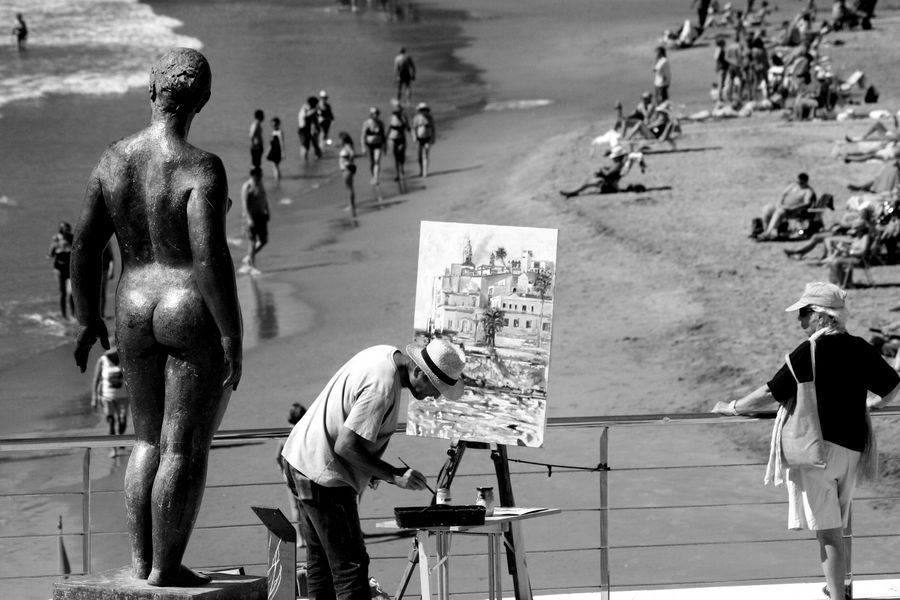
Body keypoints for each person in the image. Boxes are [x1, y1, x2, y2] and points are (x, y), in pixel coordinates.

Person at [70, 47, 243, 587]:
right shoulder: (200, 167)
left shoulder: (113, 160)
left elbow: (84, 247)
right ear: (203, 101)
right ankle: (167, 568)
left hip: (133, 303)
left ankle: (143, 562)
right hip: (187, 304)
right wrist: (232, 331)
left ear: (151, 90)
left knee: (145, 440)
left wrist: (86, 314)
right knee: (183, 445)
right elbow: (208, 256)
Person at [712, 281, 900, 600]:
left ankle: (838, 596)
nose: (800, 322)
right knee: (840, 524)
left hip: (817, 451)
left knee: (828, 533)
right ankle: (843, 586)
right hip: (853, 448)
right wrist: (872, 404)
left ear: (820, 317)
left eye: (803, 314)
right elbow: (893, 387)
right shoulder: (860, 347)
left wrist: (732, 407)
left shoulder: (810, 351)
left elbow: (770, 392)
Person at [280, 338, 466, 600]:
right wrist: (394, 475)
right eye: (435, 388)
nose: (434, 397)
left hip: (301, 459)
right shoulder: (384, 386)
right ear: (417, 372)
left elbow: (350, 430)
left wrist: (375, 470)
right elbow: (346, 446)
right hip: (324, 475)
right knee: (351, 569)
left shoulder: (385, 355)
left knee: (321, 564)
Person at [558, 145, 645, 198]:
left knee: (587, 183)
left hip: (610, 185)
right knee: (587, 182)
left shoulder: (618, 164)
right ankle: (574, 191)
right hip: (610, 184)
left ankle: (572, 192)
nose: (612, 158)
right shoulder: (618, 163)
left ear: (618, 157)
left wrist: (601, 170)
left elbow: (608, 173)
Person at [276, 402, 307, 547]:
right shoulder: (305, 431)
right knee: (307, 506)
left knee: (294, 507)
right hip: (304, 472)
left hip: (288, 473)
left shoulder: (284, 433)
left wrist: (282, 470)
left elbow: (277, 457)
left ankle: (300, 539)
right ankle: (310, 535)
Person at [92, 347, 130, 457]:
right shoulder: (102, 360)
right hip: (107, 397)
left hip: (123, 397)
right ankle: (114, 448)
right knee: (111, 421)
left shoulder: (124, 359)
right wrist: (94, 397)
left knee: (122, 421)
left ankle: (121, 439)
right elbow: (96, 379)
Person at [759, 172, 817, 239]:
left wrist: (793, 207)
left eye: (801, 183)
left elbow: (807, 203)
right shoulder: (793, 185)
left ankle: (768, 233)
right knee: (767, 208)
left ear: (806, 182)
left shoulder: (808, 191)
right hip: (783, 206)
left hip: (794, 211)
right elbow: (783, 194)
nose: (799, 184)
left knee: (779, 212)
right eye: (798, 182)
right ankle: (766, 231)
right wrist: (780, 203)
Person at [240, 167, 269, 274]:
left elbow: (265, 199)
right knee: (252, 242)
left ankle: (248, 257)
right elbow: (244, 204)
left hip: (261, 216)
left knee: (263, 240)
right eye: (260, 175)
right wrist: (249, 219)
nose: (261, 177)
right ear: (254, 176)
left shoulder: (260, 184)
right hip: (251, 217)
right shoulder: (247, 187)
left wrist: (267, 212)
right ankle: (252, 265)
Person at [48, 221, 75, 320]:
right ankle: (64, 315)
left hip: (69, 268)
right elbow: (50, 254)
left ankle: (72, 314)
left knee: (71, 293)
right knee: (62, 293)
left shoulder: (73, 238)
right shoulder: (56, 239)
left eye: (67, 228)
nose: (65, 230)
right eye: (63, 228)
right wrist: (55, 245)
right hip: (59, 267)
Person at [360, 107, 386, 202]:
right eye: (375, 113)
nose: (376, 115)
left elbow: (383, 136)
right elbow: (363, 136)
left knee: (377, 161)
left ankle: (376, 178)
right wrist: (363, 147)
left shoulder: (380, 123)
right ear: (371, 114)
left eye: (377, 113)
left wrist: (385, 147)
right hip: (369, 145)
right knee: (371, 163)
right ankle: (373, 176)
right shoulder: (366, 123)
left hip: (378, 145)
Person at [387, 101, 410, 194]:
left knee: (401, 155)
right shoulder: (391, 118)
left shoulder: (404, 118)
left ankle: (402, 169)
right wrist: (385, 140)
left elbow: (408, 128)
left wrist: (405, 123)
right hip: (392, 138)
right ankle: (398, 173)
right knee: (395, 156)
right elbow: (388, 129)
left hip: (401, 138)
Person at [412, 102, 435, 178]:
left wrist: (433, 138)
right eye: (422, 110)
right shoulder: (416, 118)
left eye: (424, 110)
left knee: (425, 155)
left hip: (427, 138)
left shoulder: (430, 118)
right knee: (419, 157)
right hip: (419, 139)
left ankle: (425, 172)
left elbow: (433, 128)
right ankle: (421, 170)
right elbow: (413, 128)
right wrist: (414, 137)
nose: (423, 111)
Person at [338, 131, 358, 220]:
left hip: (347, 169)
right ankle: (351, 204)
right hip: (349, 168)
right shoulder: (348, 146)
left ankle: (351, 205)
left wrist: (348, 162)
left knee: (349, 188)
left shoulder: (347, 146)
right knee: (350, 187)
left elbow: (353, 154)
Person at [298, 96, 322, 162]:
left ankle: (308, 162)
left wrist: (317, 128)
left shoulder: (310, 109)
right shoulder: (305, 108)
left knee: (312, 146)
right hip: (303, 130)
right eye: (316, 104)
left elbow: (314, 119)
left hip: (308, 130)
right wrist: (315, 109)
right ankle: (304, 162)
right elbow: (306, 115)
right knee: (305, 147)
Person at [266, 117, 285, 184]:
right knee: (275, 166)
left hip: (277, 151)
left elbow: (282, 143)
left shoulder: (280, 132)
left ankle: (277, 180)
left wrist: (283, 153)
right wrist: (267, 151)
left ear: (278, 124)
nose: (273, 126)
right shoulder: (273, 132)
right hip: (273, 151)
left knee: (275, 166)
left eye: (274, 125)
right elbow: (271, 144)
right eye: (272, 125)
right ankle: (278, 179)